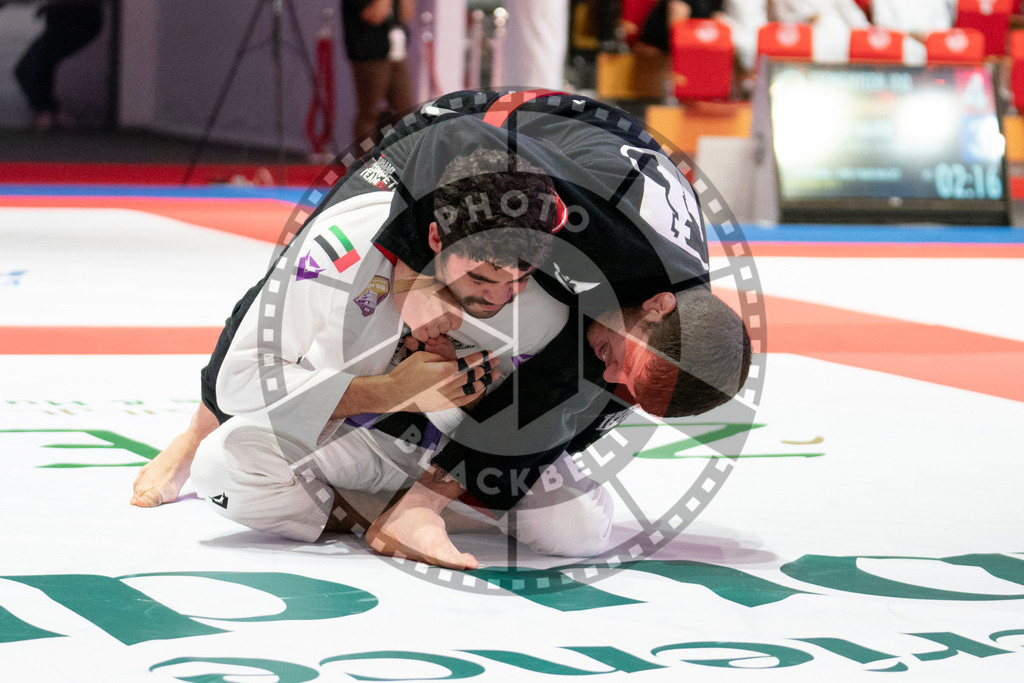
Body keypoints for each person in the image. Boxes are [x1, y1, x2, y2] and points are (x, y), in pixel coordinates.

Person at [132, 91, 751, 569]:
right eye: (624, 364)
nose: (614, 376)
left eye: (630, 387)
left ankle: (404, 503)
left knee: (562, 398)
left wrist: (428, 501)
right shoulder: (608, 229)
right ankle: (197, 430)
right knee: (312, 267)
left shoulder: (659, 339)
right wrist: (410, 278)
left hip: (556, 200)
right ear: (657, 306)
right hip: (453, 140)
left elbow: (557, 408)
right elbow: (452, 139)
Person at [13, 0, 104, 131]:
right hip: (67, 21)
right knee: (38, 65)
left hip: (77, 22)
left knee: (33, 66)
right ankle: (49, 112)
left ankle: (47, 112)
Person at [341, 0, 415, 145]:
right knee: (369, 113)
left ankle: (401, 156)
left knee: (405, 111)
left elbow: (406, 15)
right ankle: (364, 158)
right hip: (369, 53)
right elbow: (375, 15)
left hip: (396, 52)